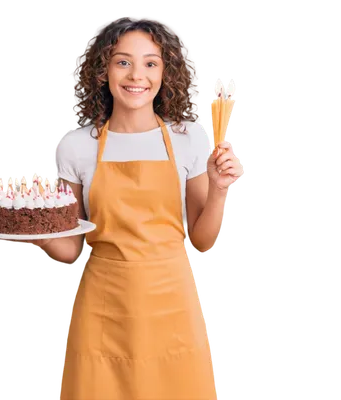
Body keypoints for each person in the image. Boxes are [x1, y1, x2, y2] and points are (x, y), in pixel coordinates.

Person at [34, 16, 243, 399]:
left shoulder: (189, 138)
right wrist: (31, 228)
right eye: (123, 61)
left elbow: (201, 241)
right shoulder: (75, 146)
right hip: (102, 306)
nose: (137, 75)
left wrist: (217, 190)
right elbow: (69, 250)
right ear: (104, 70)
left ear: (166, 72)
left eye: (151, 63)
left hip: (172, 304)